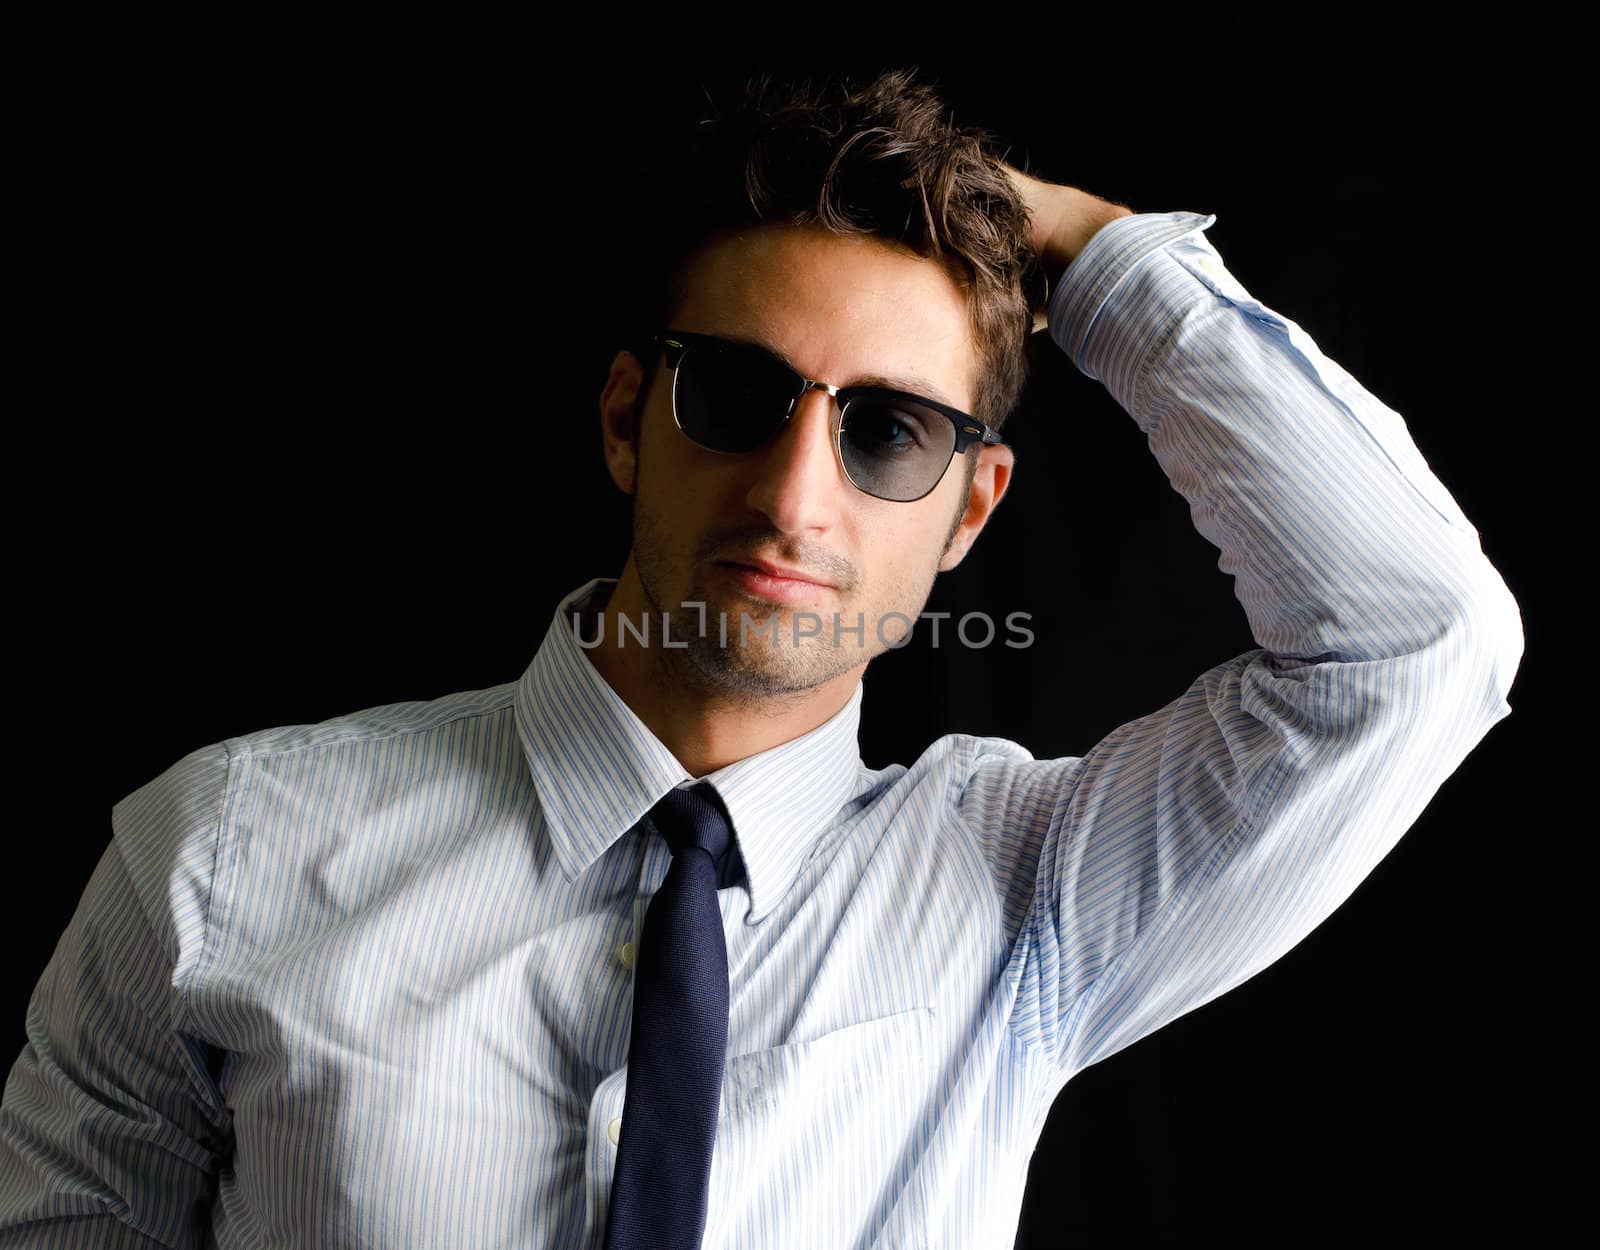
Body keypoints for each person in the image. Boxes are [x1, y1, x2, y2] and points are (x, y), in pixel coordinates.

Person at [0, 66, 1522, 1250]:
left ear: (970, 509)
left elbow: (1415, 639)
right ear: (621, 420)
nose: (795, 496)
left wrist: (1090, 250)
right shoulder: (213, 860)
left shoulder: (1027, 895)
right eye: (735, 392)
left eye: (890, 430)